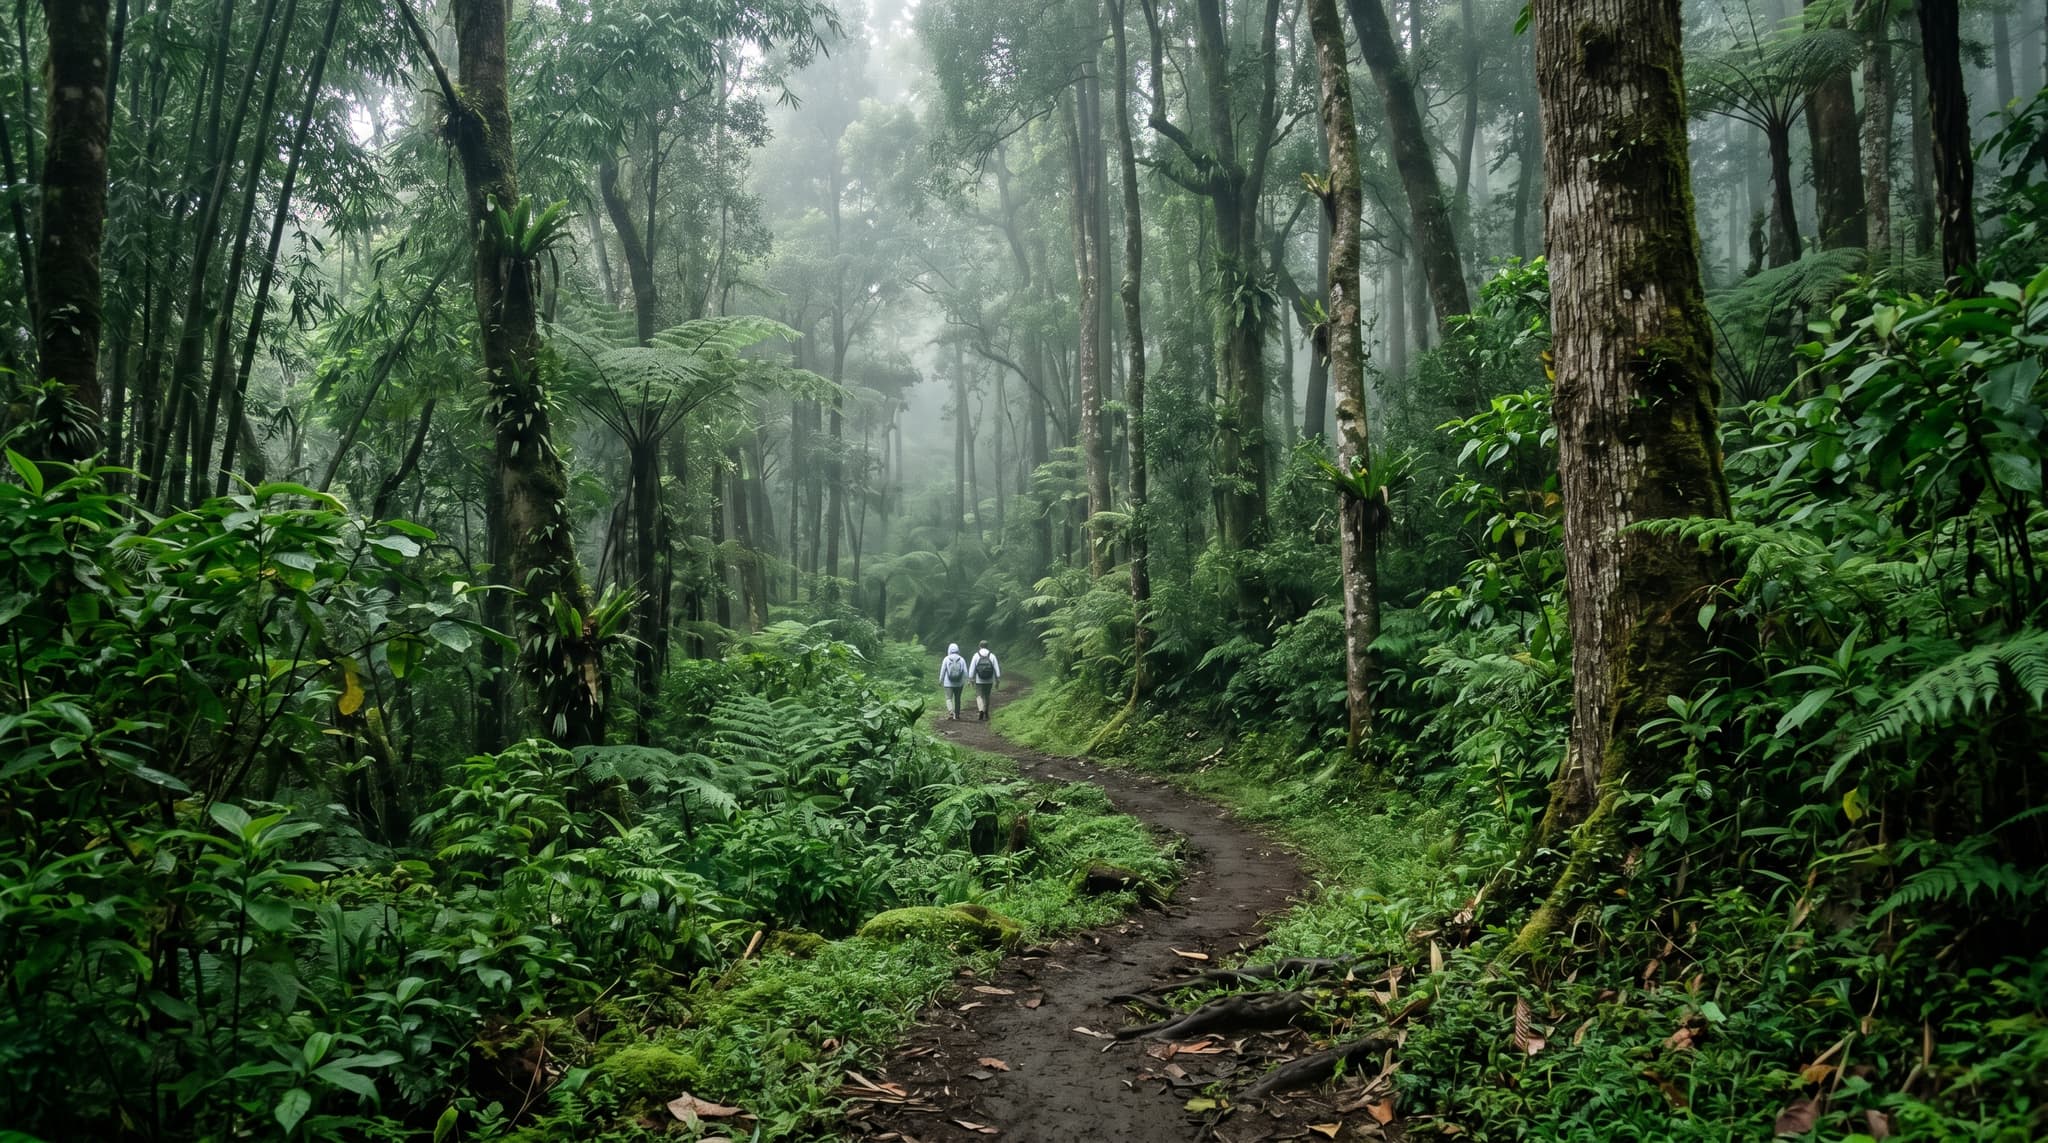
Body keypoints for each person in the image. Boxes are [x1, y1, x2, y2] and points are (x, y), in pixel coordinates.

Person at [968, 641, 1001, 720]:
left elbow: (972, 669)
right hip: (989, 680)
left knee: (979, 695)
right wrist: (997, 679)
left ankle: (981, 711)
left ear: (979, 646)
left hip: (979, 681)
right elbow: (997, 669)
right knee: (986, 696)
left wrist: (970, 678)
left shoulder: (976, 655)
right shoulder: (992, 656)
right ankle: (986, 712)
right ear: (987, 646)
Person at [938, 643, 969, 720]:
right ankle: (957, 715)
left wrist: (940, 680)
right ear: (958, 650)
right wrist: (968, 680)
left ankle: (951, 711)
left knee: (948, 698)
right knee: (957, 699)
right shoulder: (961, 659)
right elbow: (965, 671)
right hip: (959, 683)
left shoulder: (946, 659)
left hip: (948, 683)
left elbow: (943, 671)